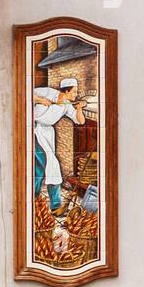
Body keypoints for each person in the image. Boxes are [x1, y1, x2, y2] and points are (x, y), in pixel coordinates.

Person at [33, 77, 86, 210]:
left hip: (47, 133)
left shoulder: (67, 106)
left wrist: (79, 108)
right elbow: (25, 92)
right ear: (66, 91)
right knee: (52, 165)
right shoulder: (48, 92)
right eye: (74, 92)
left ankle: (34, 197)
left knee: (40, 167)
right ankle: (55, 204)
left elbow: (81, 121)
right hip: (34, 130)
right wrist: (40, 100)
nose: (76, 94)